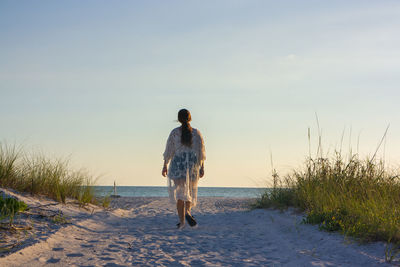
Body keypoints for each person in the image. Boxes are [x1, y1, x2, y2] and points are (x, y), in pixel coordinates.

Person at [162, 109, 206, 229]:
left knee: (180, 194)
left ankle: (182, 222)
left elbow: (169, 151)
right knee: (189, 192)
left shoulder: (174, 133)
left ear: (179, 119)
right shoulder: (197, 133)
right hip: (192, 165)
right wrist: (202, 167)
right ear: (190, 118)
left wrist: (165, 166)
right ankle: (187, 212)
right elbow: (201, 152)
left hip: (178, 164)